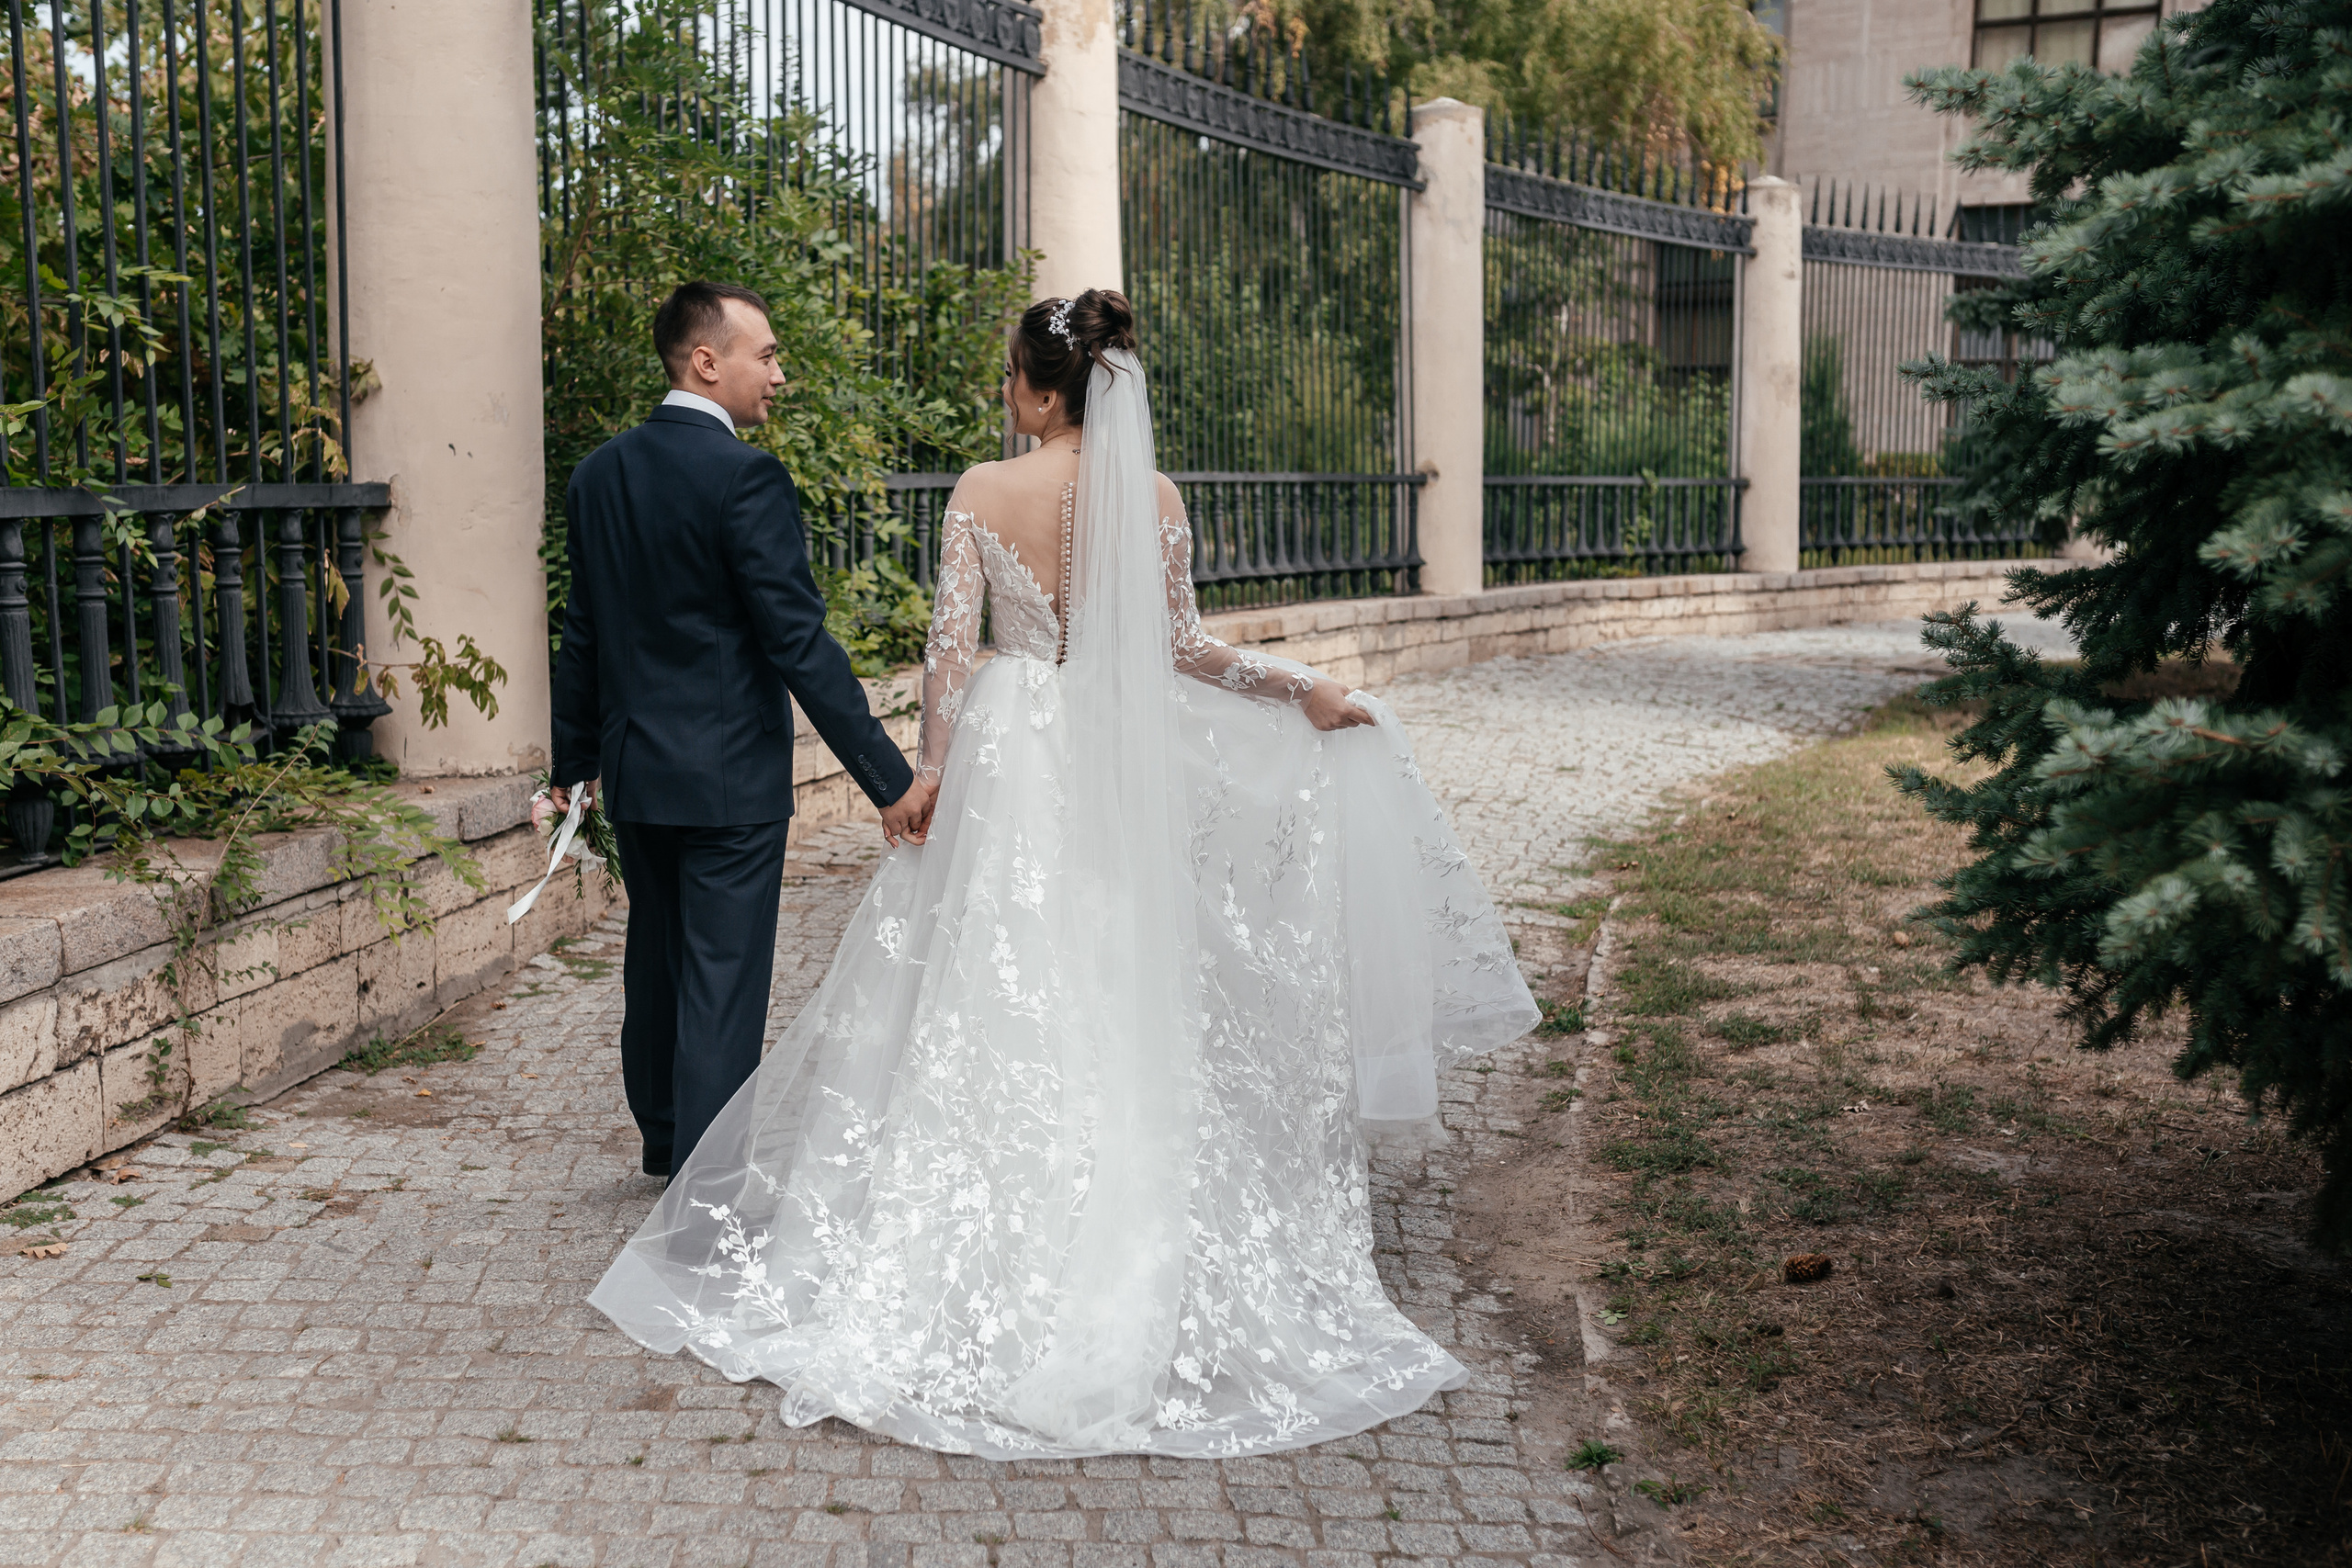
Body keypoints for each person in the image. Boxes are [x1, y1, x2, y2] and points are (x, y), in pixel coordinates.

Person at [588, 289, 1537, 1459]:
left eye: (1010, 376)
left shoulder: (984, 493)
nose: (1005, 393)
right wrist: (1306, 690)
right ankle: (1133, 1194)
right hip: (1117, 768)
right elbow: (1186, 648)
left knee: (988, 976)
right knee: (1118, 961)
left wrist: (923, 778)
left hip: (1013, 755)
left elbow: (950, 658)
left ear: (1042, 391)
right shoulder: (1160, 500)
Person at [548, 280, 933, 1184]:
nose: (780, 374)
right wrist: (889, 778)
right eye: (766, 354)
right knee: (720, 977)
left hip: (637, 770)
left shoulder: (597, 474)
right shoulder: (745, 476)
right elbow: (795, 640)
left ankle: (663, 1138)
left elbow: (582, 631)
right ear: (705, 360)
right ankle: (706, 1184)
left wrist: (574, 767)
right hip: (727, 781)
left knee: (658, 956)